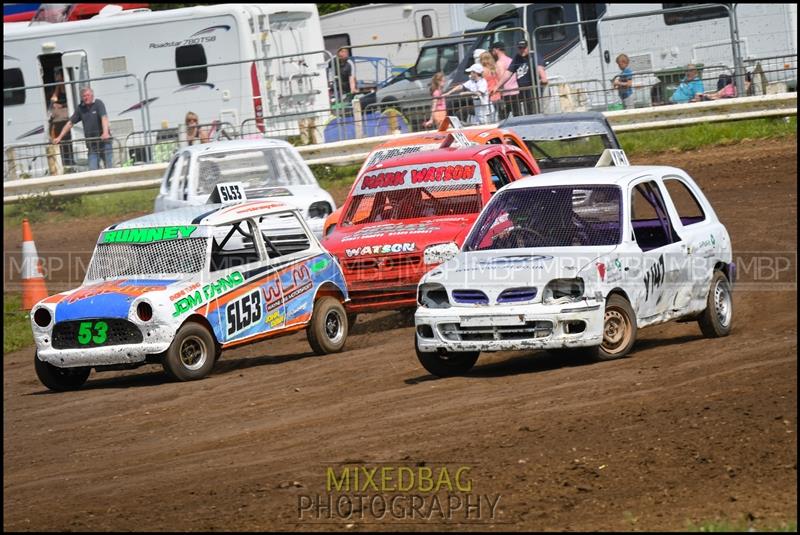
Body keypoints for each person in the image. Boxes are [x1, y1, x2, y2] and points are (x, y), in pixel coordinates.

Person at [52, 86, 113, 170]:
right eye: (84, 96)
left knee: (110, 168)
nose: (86, 97)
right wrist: (59, 137)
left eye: (88, 95)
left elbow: (104, 117)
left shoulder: (98, 103)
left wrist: (105, 132)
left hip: (104, 142)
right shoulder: (80, 108)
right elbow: (70, 123)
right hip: (92, 146)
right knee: (93, 169)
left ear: (92, 95)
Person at [492, 40, 547, 117]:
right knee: (526, 113)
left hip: (534, 90)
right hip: (523, 90)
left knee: (534, 113)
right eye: (520, 48)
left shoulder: (534, 55)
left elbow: (539, 67)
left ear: (528, 47)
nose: (522, 50)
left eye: (523, 48)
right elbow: (508, 73)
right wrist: (497, 86)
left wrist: (543, 77)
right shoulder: (517, 58)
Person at [48, 68, 74, 166]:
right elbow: (54, 99)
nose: (57, 78)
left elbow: (72, 100)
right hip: (61, 116)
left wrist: (61, 106)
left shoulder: (68, 86)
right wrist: (58, 87)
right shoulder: (59, 86)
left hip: (67, 112)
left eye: (58, 75)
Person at [489, 41, 517, 119]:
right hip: (516, 91)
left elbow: (501, 78)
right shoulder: (510, 60)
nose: (492, 52)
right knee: (517, 115)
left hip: (506, 93)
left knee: (502, 117)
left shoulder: (499, 62)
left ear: (496, 50)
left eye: (492, 50)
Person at [479, 51, 502, 123]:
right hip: (497, 95)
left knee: (488, 118)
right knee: (496, 116)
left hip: (488, 96)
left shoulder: (483, 70)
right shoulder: (494, 69)